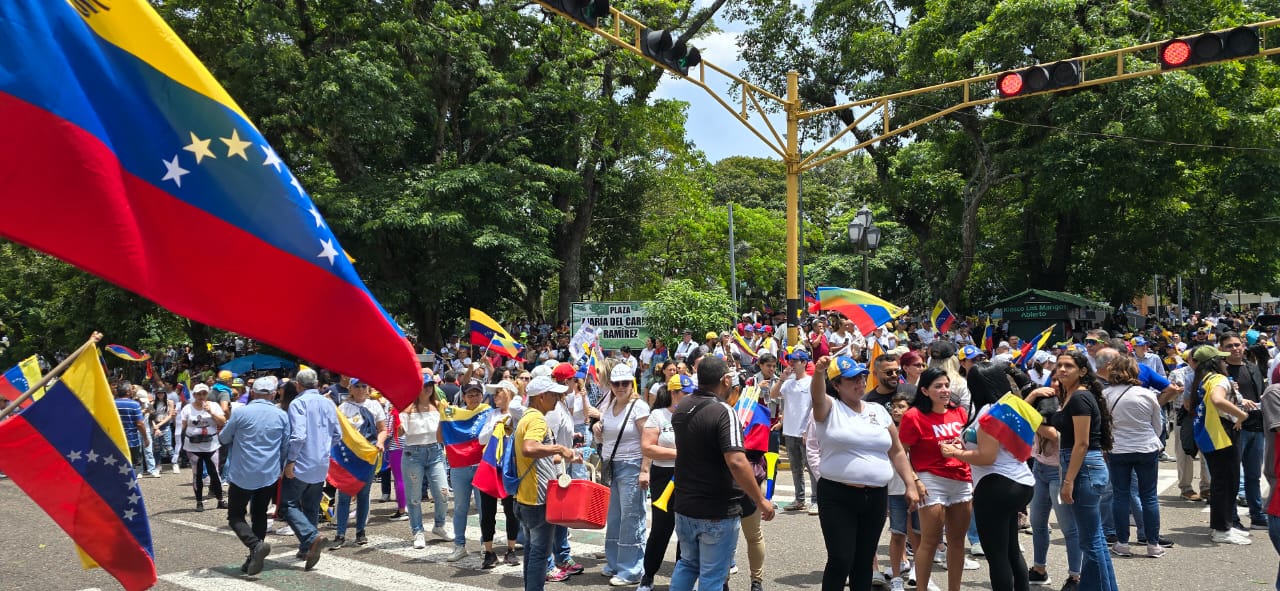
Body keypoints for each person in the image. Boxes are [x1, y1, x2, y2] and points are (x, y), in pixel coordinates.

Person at [809, 355, 920, 591]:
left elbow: (897, 451)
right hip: (838, 495)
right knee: (841, 558)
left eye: (861, 377)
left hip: (876, 496)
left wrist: (910, 484)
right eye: (851, 380)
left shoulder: (878, 410)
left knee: (863, 560)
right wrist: (819, 372)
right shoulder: (829, 408)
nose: (859, 383)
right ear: (836, 385)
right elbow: (817, 395)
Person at [669, 356, 775, 591]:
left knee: (687, 564)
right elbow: (737, 461)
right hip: (716, 510)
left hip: (685, 506)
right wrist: (760, 500)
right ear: (725, 380)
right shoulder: (724, 411)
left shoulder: (682, 407)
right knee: (712, 577)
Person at [940, 362, 1043, 591]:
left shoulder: (989, 414)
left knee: (997, 555)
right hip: (1021, 481)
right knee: (1011, 550)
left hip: (996, 484)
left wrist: (955, 452)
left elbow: (986, 457)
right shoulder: (1010, 406)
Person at [1027, 350, 1118, 591]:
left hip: (1083, 466)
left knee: (1090, 541)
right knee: (1094, 538)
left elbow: (1081, 443)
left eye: (1069, 366)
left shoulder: (1079, 397)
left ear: (1083, 371)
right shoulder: (1071, 396)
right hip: (1081, 465)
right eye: (1059, 366)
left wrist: (1068, 481)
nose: (1062, 369)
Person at [898, 368, 972, 591]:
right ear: (925, 390)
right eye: (938, 386)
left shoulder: (959, 412)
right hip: (930, 479)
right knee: (930, 541)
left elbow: (968, 443)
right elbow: (901, 452)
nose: (945, 390)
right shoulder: (913, 416)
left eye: (947, 385)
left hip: (961, 477)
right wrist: (915, 481)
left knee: (958, 542)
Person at [218, 376, 289, 576]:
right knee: (259, 514)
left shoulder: (241, 413)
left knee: (235, 515)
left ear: (253, 393)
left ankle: (255, 545)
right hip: (268, 473)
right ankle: (254, 554)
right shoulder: (281, 415)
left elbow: (223, 438)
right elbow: (285, 447)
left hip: (243, 472)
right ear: (273, 394)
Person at [513, 375, 580, 591]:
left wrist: (562, 454)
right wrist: (559, 448)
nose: (558, 398)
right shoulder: (537, 420)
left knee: (534, 552)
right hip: (537, 498)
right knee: (540, 554)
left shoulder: (527, 416)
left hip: (526, 496)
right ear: (541, 397)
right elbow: (529, 448)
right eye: (554, 395)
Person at [1097, 355, 1165, 558]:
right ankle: (1153, 544)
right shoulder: (1147, 394)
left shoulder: (1105, 394)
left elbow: (1104, 426)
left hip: (1118, 448)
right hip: (1146, 447)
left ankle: (1122, 542)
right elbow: (1157, 424)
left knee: (1120, 495)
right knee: (1149, 496)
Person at [1188, 344, 1254, 544]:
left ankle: (1225, 525)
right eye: (1221, 358)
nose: (1225, 361)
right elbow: (1218, 400)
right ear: (1215, 362)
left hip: (1211, 435)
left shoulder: (1204, 379)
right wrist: (1241, 414)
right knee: (1226, 483)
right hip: (1222, 435)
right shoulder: (1218, 378)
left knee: (1222, 483)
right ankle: (1221, 529)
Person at [592, 363, 651, 585]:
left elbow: (648, 440)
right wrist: (598, 430)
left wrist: (645, 470)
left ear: (632, 383)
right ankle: (615, 562)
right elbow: (605, 438)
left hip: (632, 465)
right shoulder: (610, 404)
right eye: (616, 383)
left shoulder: (639, 407)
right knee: (615, 516)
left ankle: (632, 569)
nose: (620, 387)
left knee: (631, 517)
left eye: (625, 383)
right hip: (612, 466)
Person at [282, 368, 341, 570]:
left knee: (287, 505)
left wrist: (290, 460)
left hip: (301, 461)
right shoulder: (328, 403)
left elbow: (298, 436)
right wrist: (323, 449)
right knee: (311, 506)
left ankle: (311, 537)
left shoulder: (298, 403)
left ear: (298, 385)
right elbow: (337, 434)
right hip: (321, 461)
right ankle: (307, 547)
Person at [639, 374, 692, 591]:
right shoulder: (658, 415)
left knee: (686, 532)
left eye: (691, 393)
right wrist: (678, 453)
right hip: (663, 477)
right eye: (684, 393)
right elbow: (648, 447)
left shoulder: (694, 413)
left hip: (689, 476)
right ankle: (648, 575)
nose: (688, 397)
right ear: (673, 393)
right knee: (661, 529)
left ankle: (681, 580)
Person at [330, 379, 387, 550]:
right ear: (350, 389)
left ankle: (360, 532)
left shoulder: (375, 406)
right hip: (348, 458)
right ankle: (340, 534)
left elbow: (383, 429)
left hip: (367, 456)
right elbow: (337, 431)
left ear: (368, 388)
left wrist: (380, 442)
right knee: (344, 496)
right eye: (357, 386)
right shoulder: (343, 408)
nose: (361, 389)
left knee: (363, 495)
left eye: (364, 386)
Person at [1221, 332, 1269, 530]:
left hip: (1256, 427)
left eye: (1237, 345)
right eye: (1229, 346)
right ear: (1221, 349)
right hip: (1234, 428)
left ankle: (1257, 514)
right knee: (1232, 475)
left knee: (1253, 475)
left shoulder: (1252, 367)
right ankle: (1232, 517)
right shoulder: (1221, 371)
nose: (1235, 349)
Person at [447, 378, 497, 562]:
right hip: (459, 467)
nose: (474, 397)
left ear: (482, 395)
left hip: (481, 466)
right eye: (470, 394)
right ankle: (459, 546)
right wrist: (443, 420)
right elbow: (439, 437)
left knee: (485, 509)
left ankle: (486, 545)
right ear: (464, 396)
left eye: (477, 394)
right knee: (460, 508)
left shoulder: (489, 413)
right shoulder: (453, 415)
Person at [400, 372, 451, 550]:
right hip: (413, 454)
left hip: (436, 452)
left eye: (430, 384)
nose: (428, 387)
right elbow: (399, 433)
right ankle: (417, 531)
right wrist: (402, 414)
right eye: (424, 384)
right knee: (414, 498)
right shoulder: (407, 408)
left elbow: (451, 424)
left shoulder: (439, 405)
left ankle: (439, 525)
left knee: (443, 493)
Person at [772, 348, 817, 513]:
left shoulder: (812, 382)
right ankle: (799, 499)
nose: (791, 363)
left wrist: (808, 429)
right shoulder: (788, 383)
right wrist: (781, 380)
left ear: (804, 363)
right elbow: (773, 395)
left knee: (811, 467)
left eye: (795, 361)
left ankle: (816, 500)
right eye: (790, 360)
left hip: (807, 432)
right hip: (790, 432)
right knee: (796, 467)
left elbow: (815, 407)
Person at [178, 383, 226, 512]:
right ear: (194, 395)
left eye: (204, 393)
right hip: (193, 447)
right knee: (197, 474)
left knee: (214, 473)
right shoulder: (187, 408)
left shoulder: (214, 406)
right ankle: (199, 502)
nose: (201, 396)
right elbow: (182, 426)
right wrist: (178, 445)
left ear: (207, 394)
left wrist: (210, 412)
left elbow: (222, 422)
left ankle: (220, 500)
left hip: (211, 445)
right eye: (198, 394)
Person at [113, 381, 149, 470]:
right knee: (131, 466)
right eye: (131, 389)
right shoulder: (134, 405)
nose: (133, 391)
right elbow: (140, 424)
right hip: (132, 441)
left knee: (118, 466)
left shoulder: (112, 404)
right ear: (127, 392)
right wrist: (145, 438)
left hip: (115, 440)